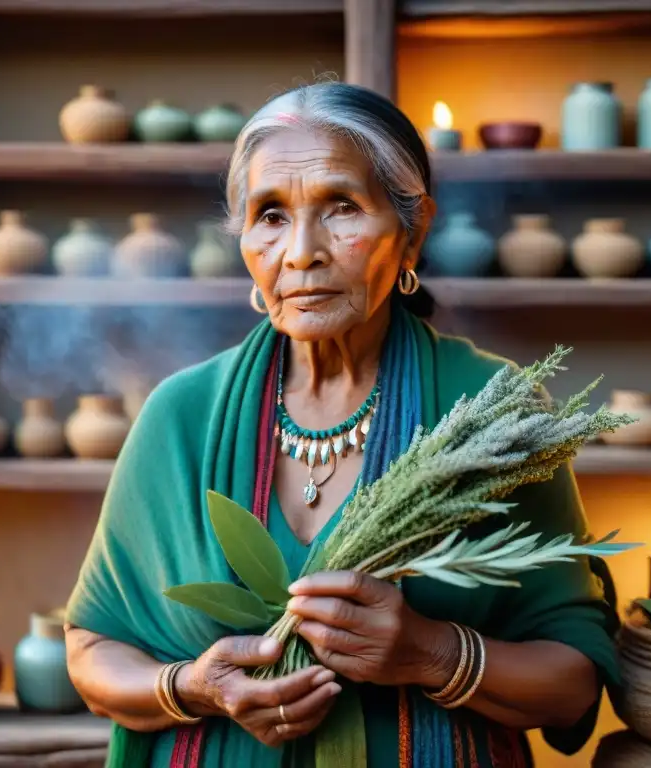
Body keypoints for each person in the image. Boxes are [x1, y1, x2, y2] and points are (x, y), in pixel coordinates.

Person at [64, 81, 621, 768]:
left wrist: (430, 653)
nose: (301, 252)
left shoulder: (491, 412)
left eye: (341, 209)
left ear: (411, 233)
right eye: (270, 216)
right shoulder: (180, 416)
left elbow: (572, 684)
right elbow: (92, 649)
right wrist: (193, 688)